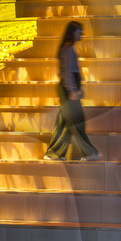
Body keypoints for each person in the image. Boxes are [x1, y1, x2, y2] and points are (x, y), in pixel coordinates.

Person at [45, 20, 100, 161]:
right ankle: (89, 153)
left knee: (63, 123)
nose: (81, 34)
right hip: (68, 90)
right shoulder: (68, 49)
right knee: (77, 121)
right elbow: (68, 72)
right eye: (79, 31)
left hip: (66, 89)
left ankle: (54, 153)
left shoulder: (66, 48)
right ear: (72, 33)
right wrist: (72, 90)